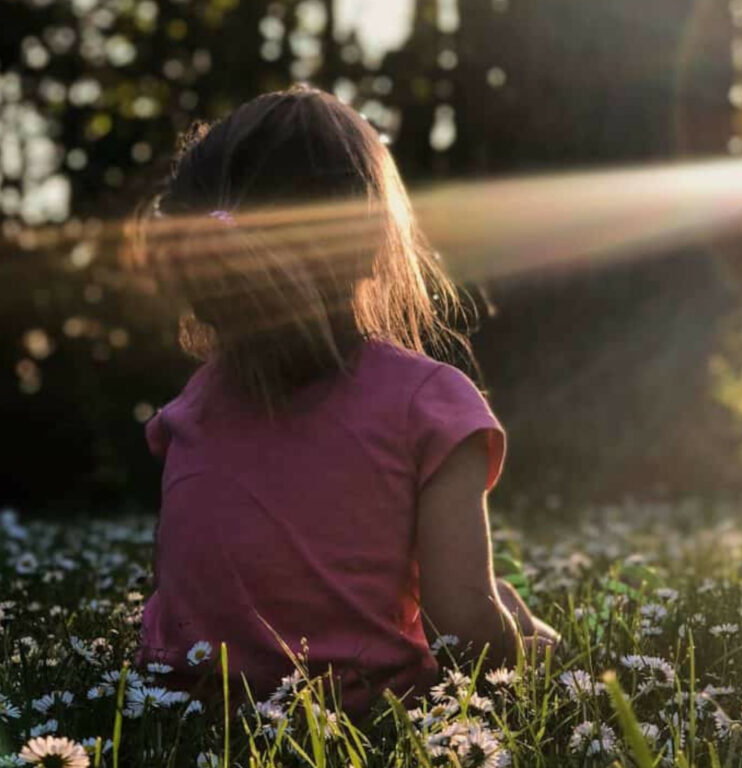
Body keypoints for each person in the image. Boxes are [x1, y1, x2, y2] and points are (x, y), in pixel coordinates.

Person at [130, 84, 558, 716]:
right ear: (369, 241)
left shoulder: (191, 409)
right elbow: (464, 631)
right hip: (364, 719)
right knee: (508, 614)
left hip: (184, 711)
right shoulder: (429, 405)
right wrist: (533, 647)